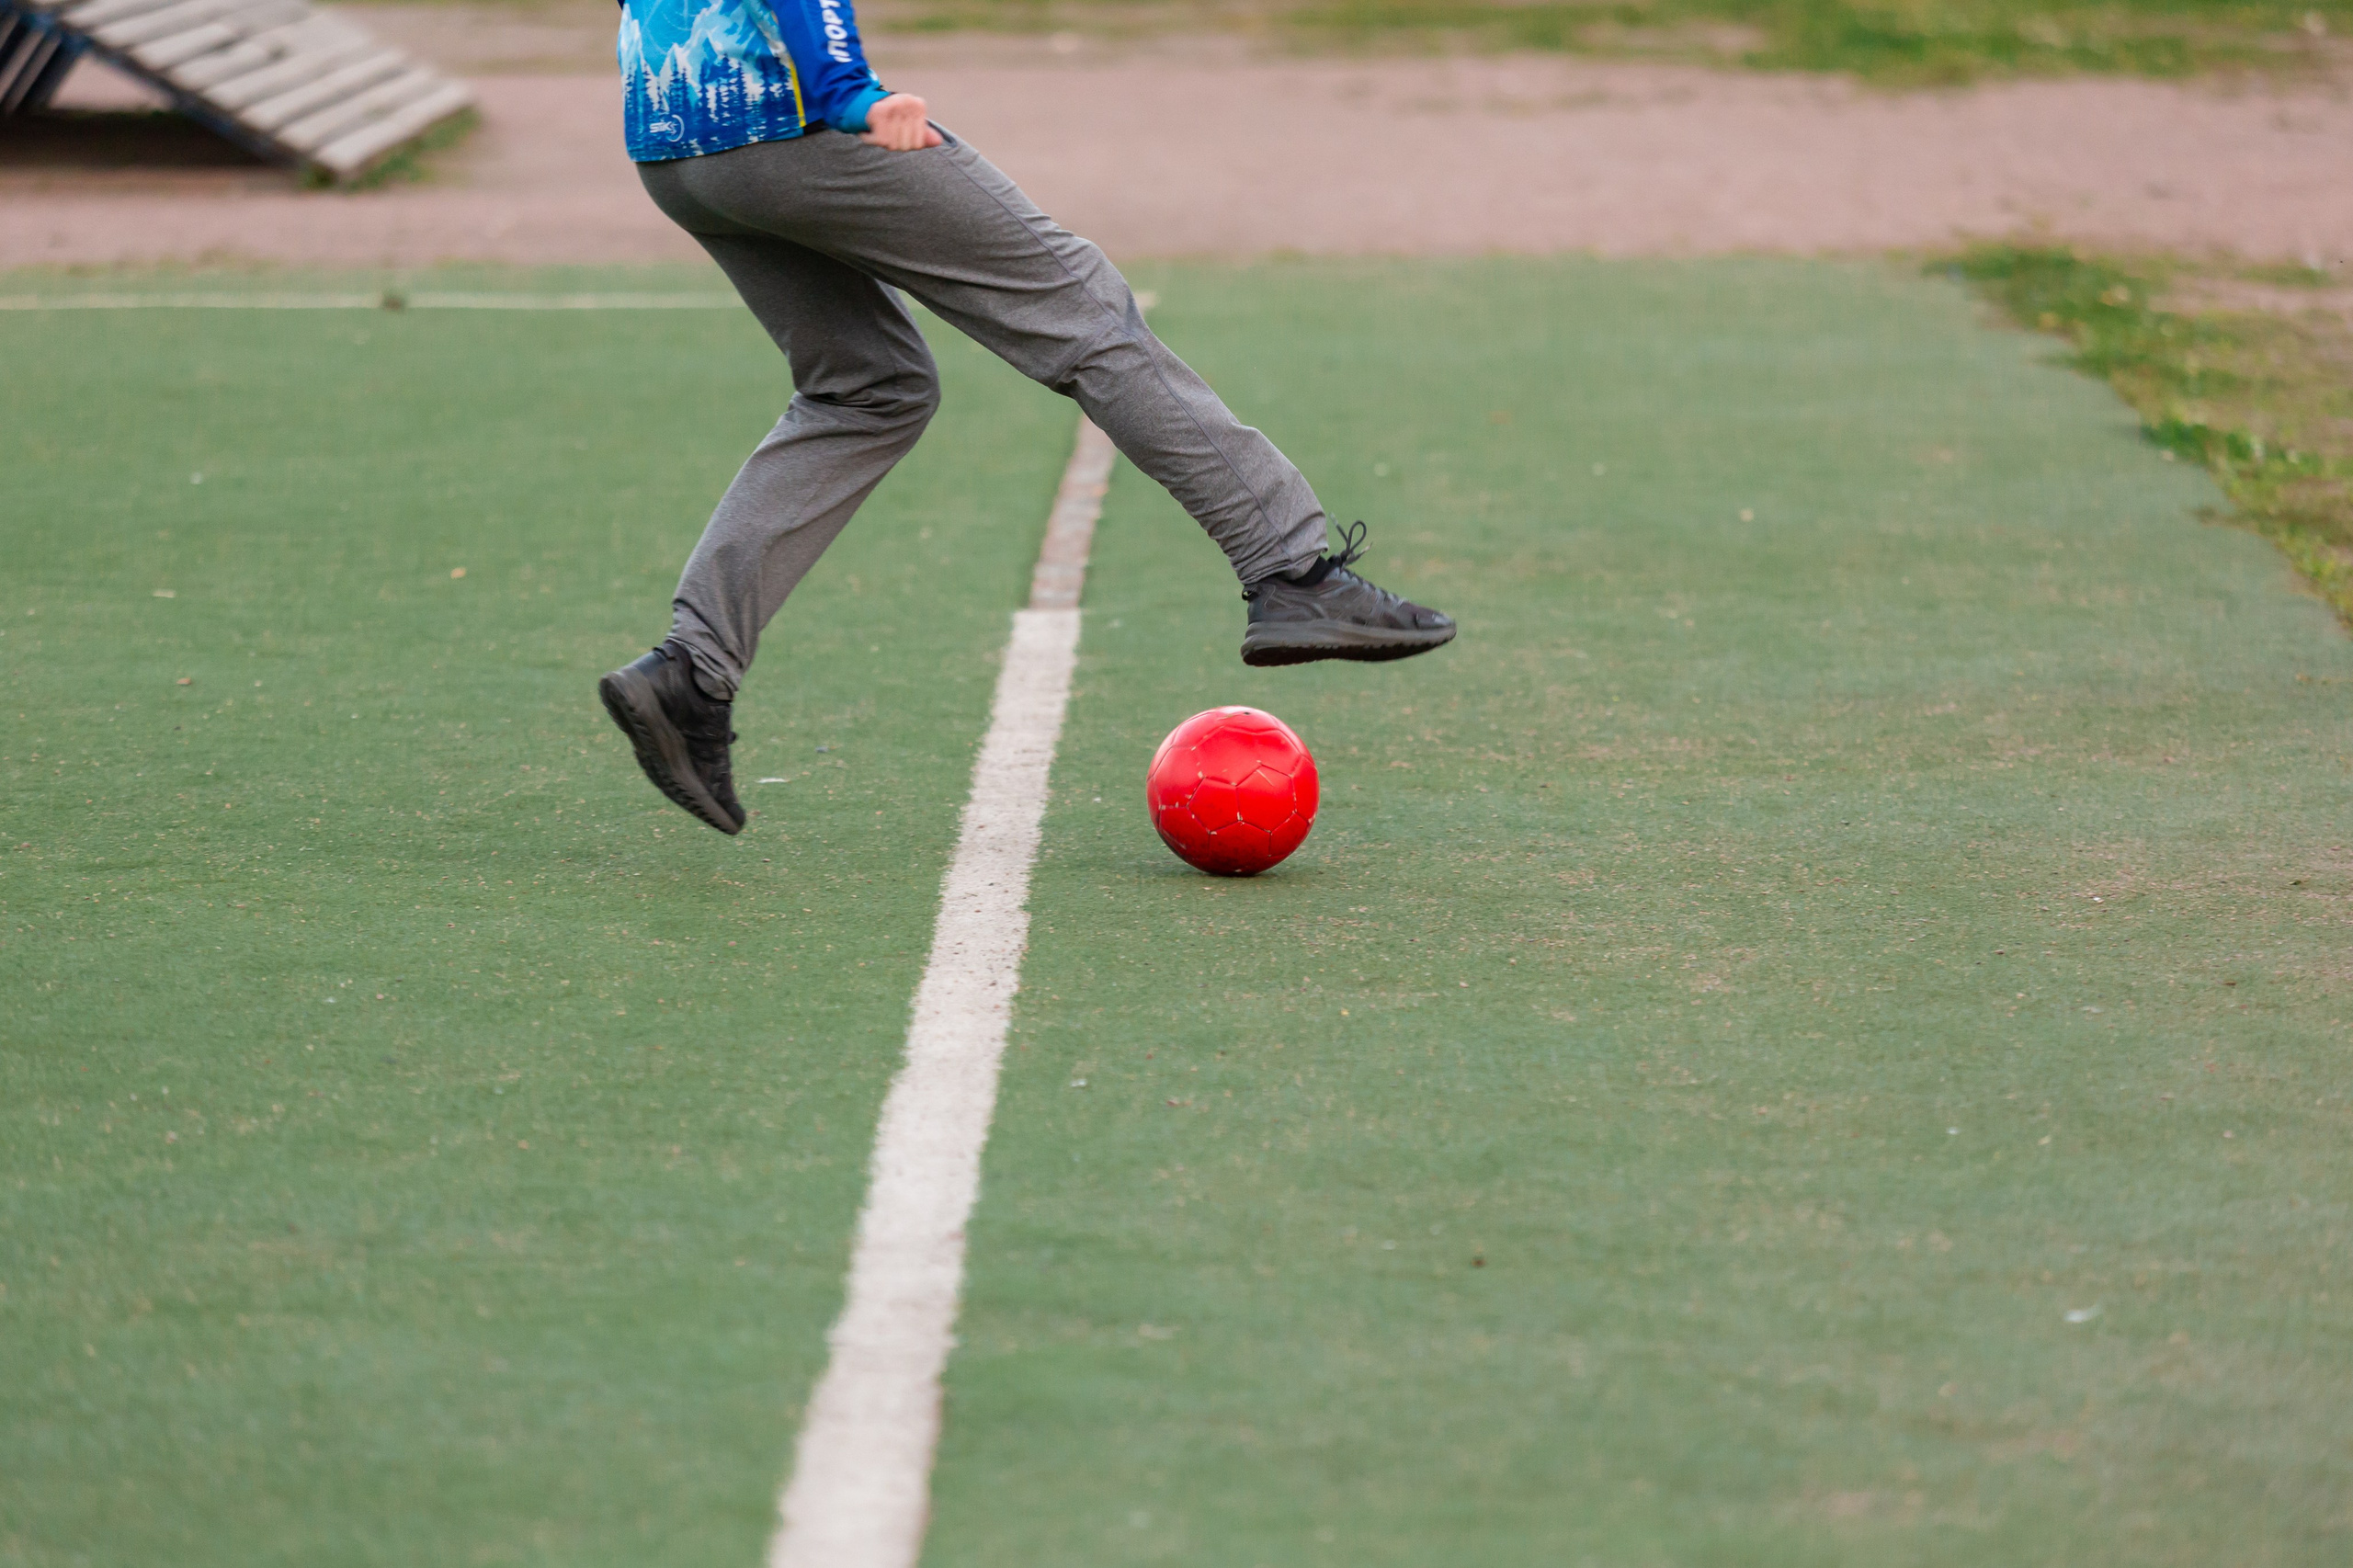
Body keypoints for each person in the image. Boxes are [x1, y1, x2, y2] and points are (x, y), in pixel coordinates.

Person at [597, 0, 1455, 835]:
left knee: (864, 388)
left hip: (675, 138)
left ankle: (690, 673)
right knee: (1083, 317)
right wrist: (846, 91)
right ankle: (1293, 573)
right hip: (790, 116)